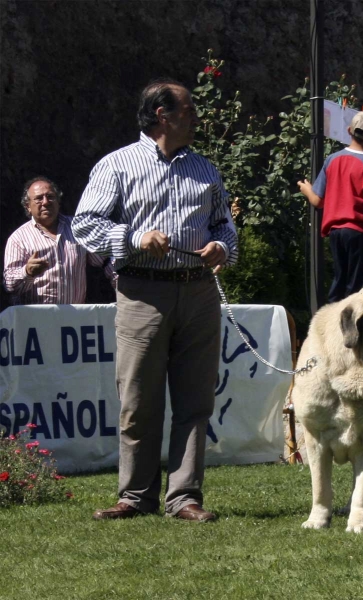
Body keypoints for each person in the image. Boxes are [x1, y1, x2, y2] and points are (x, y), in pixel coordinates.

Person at [72, 78, 238, 522]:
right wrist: (133, 238)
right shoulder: (117, 165)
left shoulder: (205, 169)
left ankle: (184, 497)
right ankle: (136, 495)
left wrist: (223, 247)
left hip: (199, 291)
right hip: (141, 291)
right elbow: (85, 225)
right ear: (162, 115)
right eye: (189, 110)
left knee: (195, 401)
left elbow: (224, 224)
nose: (196, 117)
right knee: (139, 399)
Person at [298, 111, 363, 302]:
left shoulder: (332, 160)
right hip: (361, 234)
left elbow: (318, 200)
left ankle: (332, 321)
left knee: (340, 282)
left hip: (336, 233)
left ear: (349, 130)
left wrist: (306, 189)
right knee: (359, 290)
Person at [3, 176, 114, 305]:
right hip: (34, 320)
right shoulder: (19, 239)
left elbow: (105, 261)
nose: (45, 202)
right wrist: (27, 272)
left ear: (58, 201)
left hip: (74, 319)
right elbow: (10, 286)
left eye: (50, 196)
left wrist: (124, 285)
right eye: (39, 198)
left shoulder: (77, 229)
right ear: (28, 206)